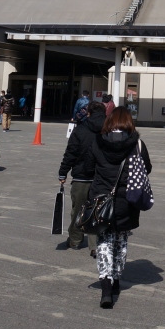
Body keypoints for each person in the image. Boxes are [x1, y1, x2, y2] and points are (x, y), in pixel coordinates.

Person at [85, 106, 151, 308]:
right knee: (121, 240)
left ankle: (106, 286)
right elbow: (147, 168)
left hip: (101, 200)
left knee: (104, 240)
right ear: (129, 122)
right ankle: (116, 279)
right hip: (127, 201)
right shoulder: (137, 144)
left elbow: (88, 168)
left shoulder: (98, 141)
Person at [58, 100, 105, 254]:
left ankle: (75, 240)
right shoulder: (109, 130)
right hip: (102, 178)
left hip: (81, 177)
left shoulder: (80, 130)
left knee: (78, 210)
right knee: (98, 211)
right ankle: (95, 245)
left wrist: (63, 172)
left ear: (89, 113)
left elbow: (71, 153)